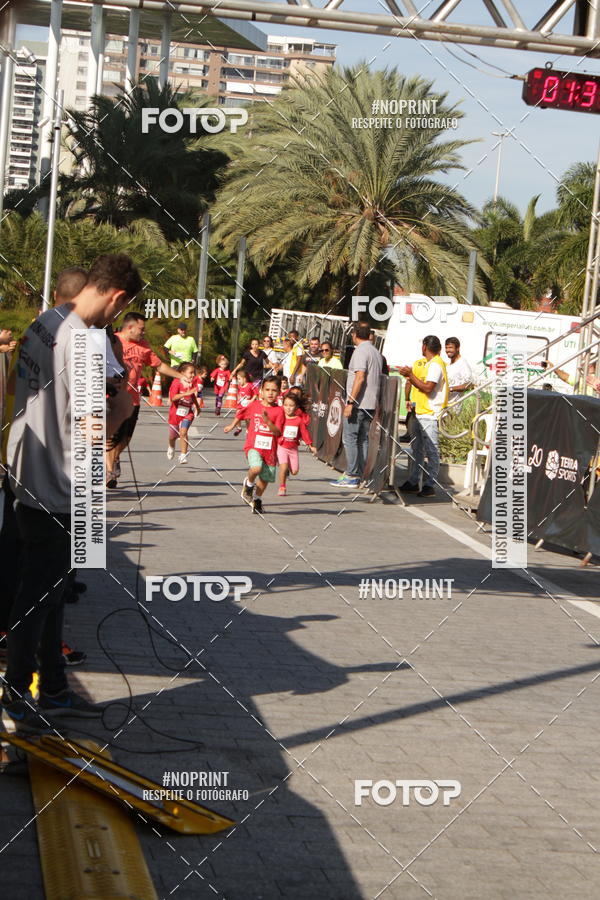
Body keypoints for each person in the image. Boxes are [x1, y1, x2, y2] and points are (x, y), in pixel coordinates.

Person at [2, 253, 142, 729]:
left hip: (27, 474)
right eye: (120, 311)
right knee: (39, 594)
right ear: (117, 296)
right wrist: (121, 410)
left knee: (54, 591)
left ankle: (55, 688)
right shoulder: (82, 341)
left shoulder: (46, 321)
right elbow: (91, 425)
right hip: (63, 487)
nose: (115, 320)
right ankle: (17, 692)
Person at [107, 312, 181, 488]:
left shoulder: (144, 346)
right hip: (113, 397)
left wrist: (180, 376)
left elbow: (159, 365)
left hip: (133, 400)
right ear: (130, 327)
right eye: (141, 328)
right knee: (112, 436)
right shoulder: (113, 342)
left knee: (126, 438)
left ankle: (115, 458)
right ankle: (109, 472)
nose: (144, 332)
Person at [330, 323, 383, 489]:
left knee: (350, 438)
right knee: (362, 439)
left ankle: (353, 475)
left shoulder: (360, 351)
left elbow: (360, 377)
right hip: (370, 403)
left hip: (359, 403)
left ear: (354, 334)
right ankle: (360, 474)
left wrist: (351, 401)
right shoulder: (375, 352)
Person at [224, 375, 284, 515]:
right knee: (256, 468)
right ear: (261, 391)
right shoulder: (255, 405)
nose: (270, 393)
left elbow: (278, 432)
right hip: (253, 446)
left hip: (270, 450)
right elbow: (241, 414)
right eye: (267, 389)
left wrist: (268, 421)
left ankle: (257, 499)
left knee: (265, 478)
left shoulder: (279, 411)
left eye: (274, 390)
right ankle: (249, 483)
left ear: (279, 392)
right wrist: (232, 425)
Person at [398, 335, 449, 498]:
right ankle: (414, 481)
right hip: (421, 411)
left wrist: (410, 375)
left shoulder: (435, 365)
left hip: (430, 413)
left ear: (425, 346)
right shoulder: (431, 363)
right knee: (417, 449)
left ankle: (430, 484)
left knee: (431, 450)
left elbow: (428, 388)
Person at [277, 393, 317, 496]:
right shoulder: (281, 418)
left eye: (291, 406)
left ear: (296, 407)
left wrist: (310, 445)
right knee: (283, 467)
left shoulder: (298, 420)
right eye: (286, 405)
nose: (288, 408)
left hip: (293, 448)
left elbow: (304, 433)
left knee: (295, 472)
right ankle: (282, 486)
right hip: (282, 447)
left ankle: (288, 468)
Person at [167, 362, 202, 463]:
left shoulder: (191, 383)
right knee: (172, 436)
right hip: (175, 413)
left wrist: (197, 407)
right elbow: (173, 398)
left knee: (183, 432)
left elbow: (192, 396)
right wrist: (186, 393)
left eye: (193, 373)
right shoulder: (176, 383)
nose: (193, 375)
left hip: (188, 413)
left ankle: (183, 455)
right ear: (182, 373)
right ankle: (171, 446)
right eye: (190, 372)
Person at [445, 337, 472, 409]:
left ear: (457, 348)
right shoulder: (448, 365)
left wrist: (450, 389)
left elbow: (469, 385)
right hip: (445, 405)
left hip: (454, 407)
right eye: (446, 348)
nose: (448, 350)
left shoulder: (463, 363)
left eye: (450, 347)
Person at [233, 369, 256, 437]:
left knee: (247, 419)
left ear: (245, 379)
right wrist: (238, 399)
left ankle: (248, 430)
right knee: (237, 415)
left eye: (239, 379)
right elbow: (239, 393)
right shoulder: (239, 386)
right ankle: (239, 428)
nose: (238, 381)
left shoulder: (250, 385)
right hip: (241, 405)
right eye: (237, 379)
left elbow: (256, 394)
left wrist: (251, 400)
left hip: (248, 406)